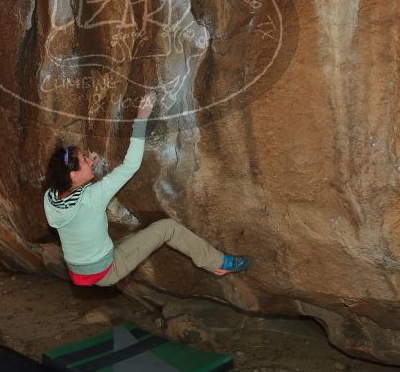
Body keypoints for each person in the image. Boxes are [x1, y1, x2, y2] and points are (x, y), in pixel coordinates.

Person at [43, 92, 252, 287]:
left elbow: (76, 199)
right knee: (168, 228)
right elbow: (130, 166)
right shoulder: (92, 197)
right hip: (105, 271)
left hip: (78, 271)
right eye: (85, 160)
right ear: (72, 175)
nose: (90, 160)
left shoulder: (51, 196)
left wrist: (89, 170)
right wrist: (141, 118)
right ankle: (218, 262)